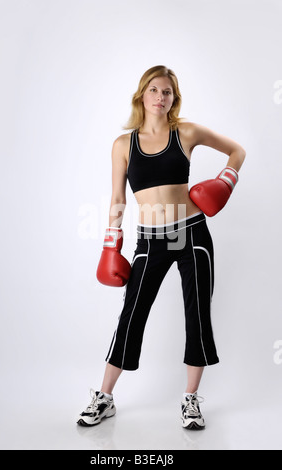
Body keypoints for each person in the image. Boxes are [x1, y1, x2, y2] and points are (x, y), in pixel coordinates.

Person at [77, 65, 246, 430]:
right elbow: (118, 197)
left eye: (167, 92)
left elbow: (237, 150)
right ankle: (104, 398)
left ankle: (190, 401)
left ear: (174, 98)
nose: (160, 97)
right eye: (154, 90)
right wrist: (111, 244)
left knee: (197, 315)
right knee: (131, 315)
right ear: (142, 95)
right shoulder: (124, 144)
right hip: (150, 240)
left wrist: (225, 182)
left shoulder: (185, 132)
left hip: (192, 233)